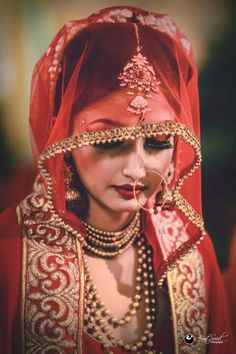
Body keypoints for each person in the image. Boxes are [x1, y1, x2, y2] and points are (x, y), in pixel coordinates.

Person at [0, 6, 234, 354]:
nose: (137, 169)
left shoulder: (190, 249)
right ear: (63, 133)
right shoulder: (11, 254)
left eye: (158, 142)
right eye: (109, 142)